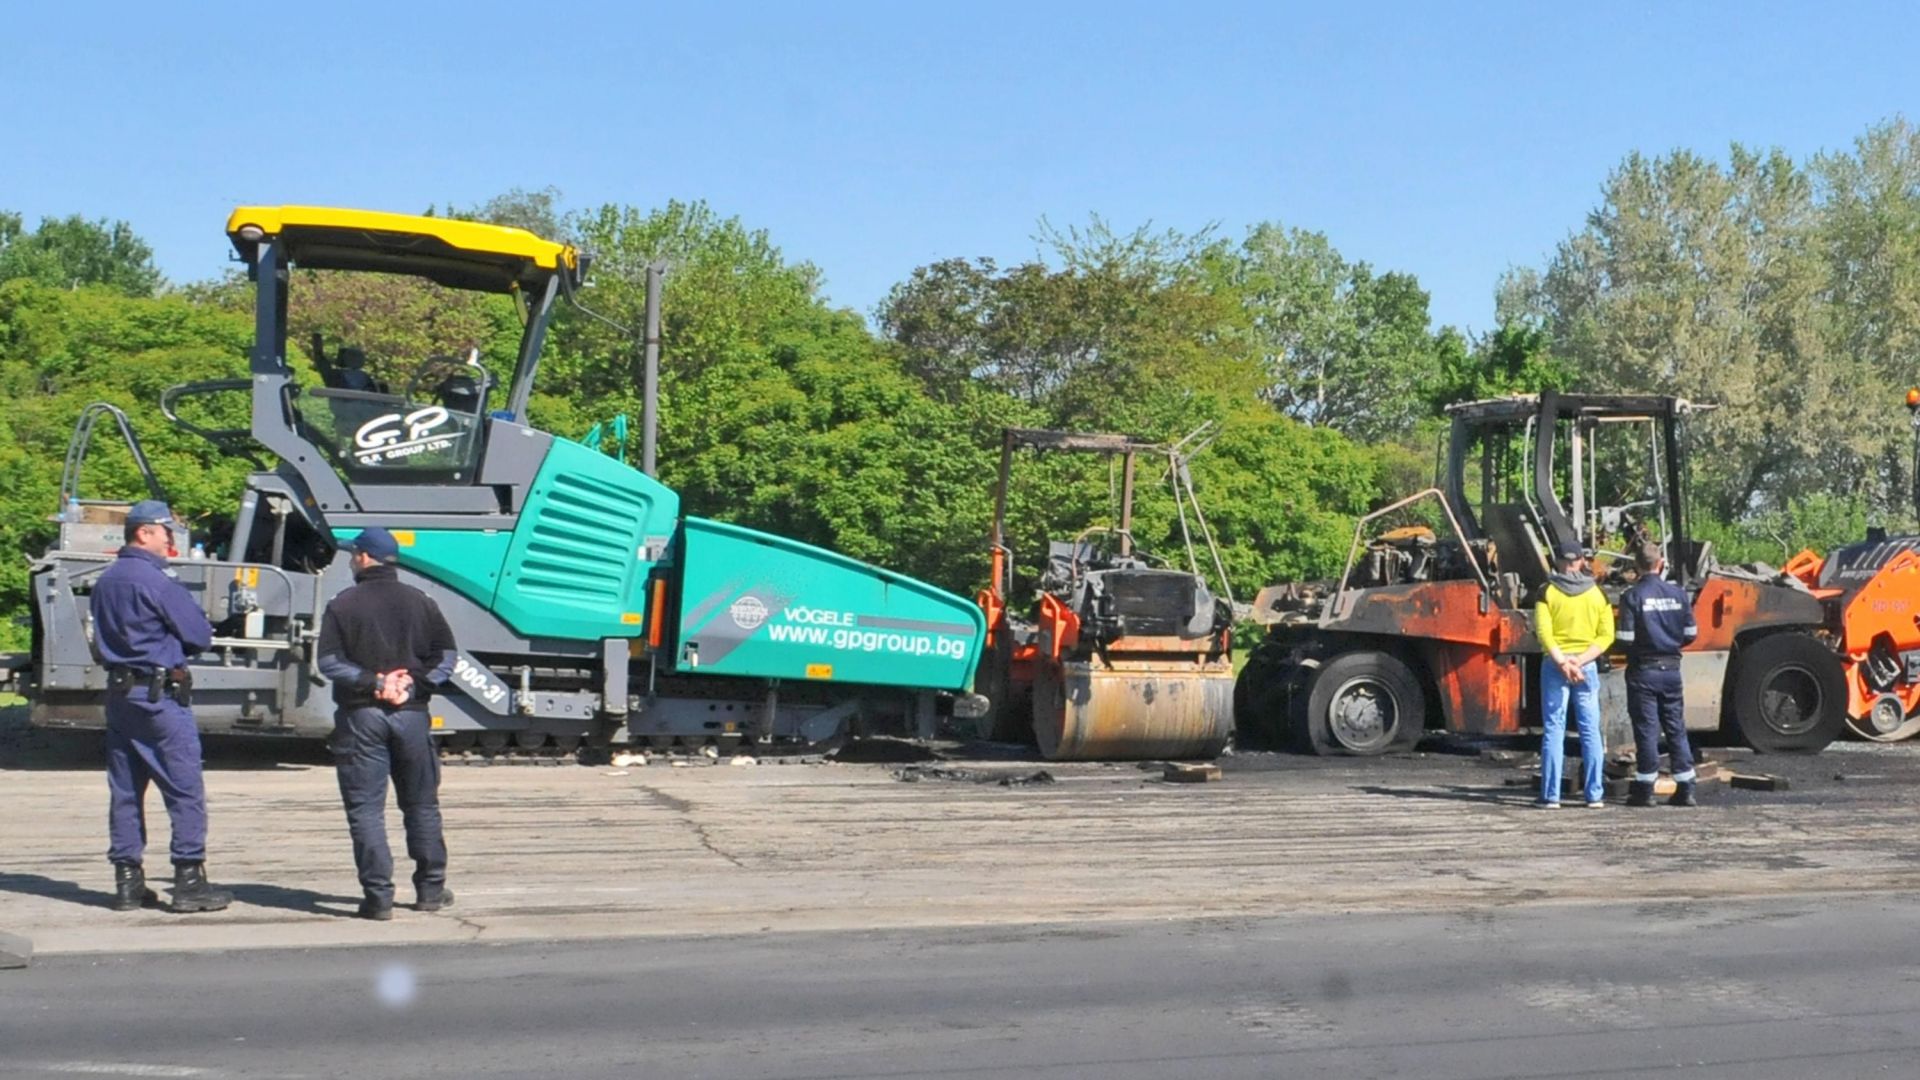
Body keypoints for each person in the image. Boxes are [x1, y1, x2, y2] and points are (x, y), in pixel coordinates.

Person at [90, 499, 232, 913]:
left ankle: (127, 881)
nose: (170, 538)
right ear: (143, 533)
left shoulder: (107, 580)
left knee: (125, 791)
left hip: (121, 696)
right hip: (159, 697)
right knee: (184, 788)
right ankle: (189, 880)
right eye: (164, 531)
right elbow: (200, 636)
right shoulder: (158, 582)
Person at [316, 527, 458, 920]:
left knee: (366, 809)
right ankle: (430, 890)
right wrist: (410, 684)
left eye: (353, 554)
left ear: (363, 557)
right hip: (411, 717)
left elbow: (328, 663)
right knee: (421, 805)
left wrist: (374, 682)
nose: (350, 560)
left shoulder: (343, 604)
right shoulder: (422, 602)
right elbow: (446, 656)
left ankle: (378, 898)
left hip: (362, 717)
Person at [1618, 542, 1700, 807]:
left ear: (1636, 566)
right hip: (1672, 669)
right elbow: (1690, 634)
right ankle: (1686, 788)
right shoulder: (1678, 594)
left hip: (1644, 670)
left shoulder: (1632, 596)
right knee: (1676, 727)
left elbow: (1625, 638)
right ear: (1660, 563)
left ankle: (1644, 790)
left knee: (1647, 729)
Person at [1534, 541, 1614, 809]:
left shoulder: (1547, 592)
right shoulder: (1597, 594)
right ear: (1582, 561)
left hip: (1555, 666)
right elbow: (1606, 636)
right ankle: (1594, 795)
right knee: (1590, 729)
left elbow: (1544, 633)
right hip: (1586, 667)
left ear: (1557, 561)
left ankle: (1551, 796)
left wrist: (1563, 662)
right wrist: (1579, 661)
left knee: (1554, 729)